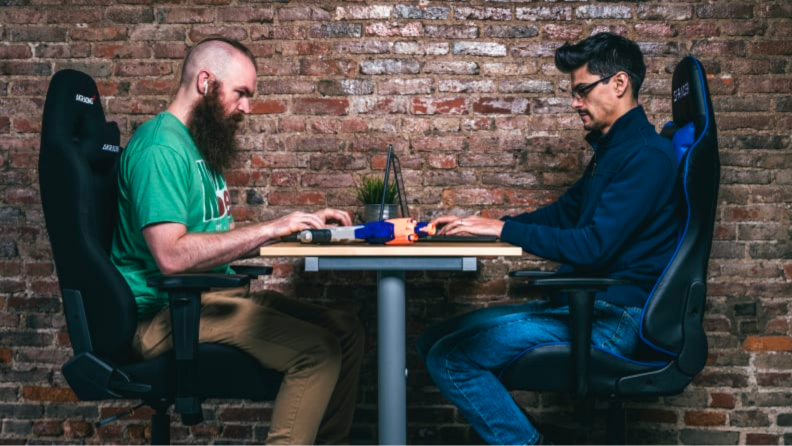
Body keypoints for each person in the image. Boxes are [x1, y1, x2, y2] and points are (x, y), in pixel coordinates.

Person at [418, 32, 682, 445]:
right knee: (432, 340)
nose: (575, 102)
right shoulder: (613, 151)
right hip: (592, 308)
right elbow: (565, 213)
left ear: (619, 83)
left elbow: (594, 247)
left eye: (582, 91)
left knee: (449, 358)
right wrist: (487, 224)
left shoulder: (645, 156)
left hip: (614, 319)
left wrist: (502, 230)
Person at [110, 36, 364, 445]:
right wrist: (269, 228)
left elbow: (211, 241)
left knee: (346, 330)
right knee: (317, 351)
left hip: (210, 299)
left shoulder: (197, 146)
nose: (247, 107)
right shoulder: (159, 150)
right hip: (166, 316)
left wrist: (302, 230)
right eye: (241, 93)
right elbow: (172, 257)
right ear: (206, 82)